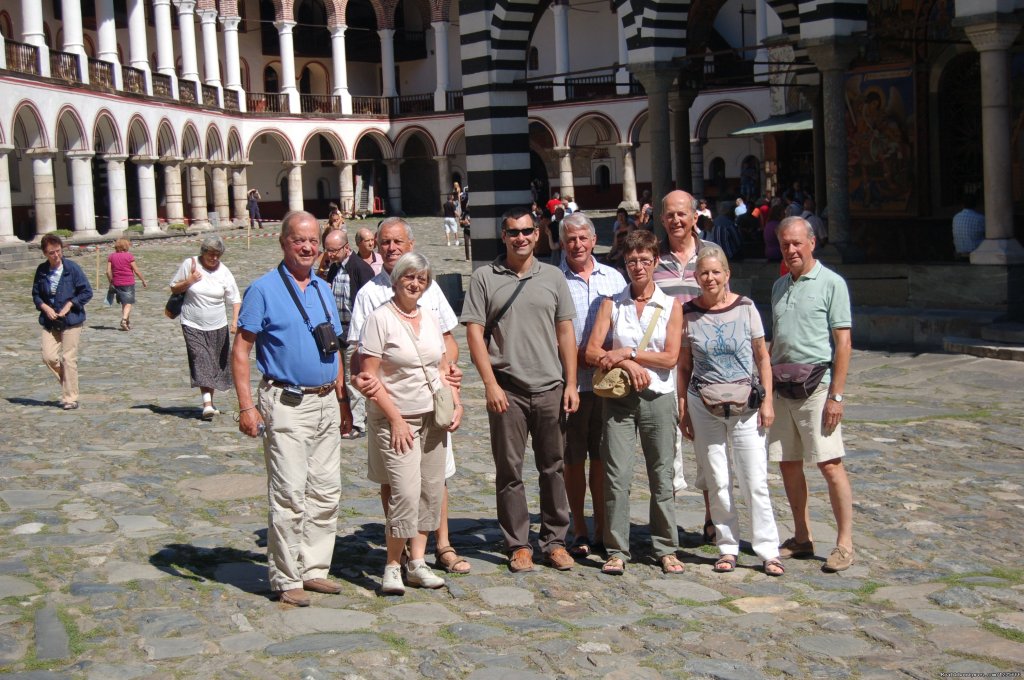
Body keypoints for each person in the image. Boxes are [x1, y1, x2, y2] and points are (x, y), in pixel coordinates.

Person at [232, 210, 353, 607]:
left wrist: (342, 399)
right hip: (286, 402)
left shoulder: (322, 287)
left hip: (325, 403)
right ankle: (286, 578)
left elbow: (334, 348)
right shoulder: (263, 289)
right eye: (298, 240)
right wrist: (247, 406)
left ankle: (314, 569)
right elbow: (242, 349)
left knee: (325, 492)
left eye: (313, 240)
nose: (307, 247)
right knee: (289, 495)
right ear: (283, 242)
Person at [348, 217, 471, 575]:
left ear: (411, 244)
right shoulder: (370, 294)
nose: (391, 247)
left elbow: (448, 341)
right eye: (384, 242)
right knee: (398, 482)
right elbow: (360, 354)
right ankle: (399, 555)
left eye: (397, 241)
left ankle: (441, 546)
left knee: (435, 479)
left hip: (432, 402)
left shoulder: (429, 290)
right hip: (393, 407)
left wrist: (448, 371)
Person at [462, 207, 579, 573]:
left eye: (527, 231)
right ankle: (518, 544)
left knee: (553, 468)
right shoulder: (484, 277)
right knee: (509, 470)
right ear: (504, 236)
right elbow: (474, 334)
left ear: (538, 233)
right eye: (513, 232)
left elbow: (565, 333)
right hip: (507, 390)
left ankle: (555, 541)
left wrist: (571, 382)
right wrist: (490, 384)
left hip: (550, 387)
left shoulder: (554, 278)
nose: (521, 238)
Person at [678, 244, 783, 577]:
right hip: (703, 403)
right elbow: (683, 366)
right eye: (704, 273)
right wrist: (683, 408)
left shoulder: (747, 307)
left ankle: (768, 549)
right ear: (696, 277)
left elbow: (762, 357)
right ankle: (727, 546)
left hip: (745, 405)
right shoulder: (688, 313)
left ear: (727, 274)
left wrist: (767, 401)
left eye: (715, 272)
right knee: (718, 479)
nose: (710, 278)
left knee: (755, 480)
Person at [585, 229, 684, 576]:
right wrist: (627, 363)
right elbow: (593, 351)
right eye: (631, 261)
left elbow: (671, 357)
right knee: (617, 473)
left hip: (658, 398)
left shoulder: (671, 305)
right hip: (620, 399)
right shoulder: (612, 303)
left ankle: (665, 547)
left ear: (656, 261)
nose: (638, 267)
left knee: (661, 473)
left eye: (644, 260)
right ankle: (616, 548)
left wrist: (627, 351)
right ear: (624, 264)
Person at [769, 216, 855, 573]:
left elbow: (844, 342)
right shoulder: (778, 286)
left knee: (830, 465)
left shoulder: (832, 283)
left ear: (812, 243)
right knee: (788, 463)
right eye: (785, 244)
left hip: (816, 387)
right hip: (781, 386)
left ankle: (845, 544)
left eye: (797, 243)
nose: (791, 250)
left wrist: (836, 395)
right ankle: (802, 536)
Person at [559, 212, 628, 558]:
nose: (578, 245)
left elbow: (625, 326)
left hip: (607, 385)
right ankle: (579, 527)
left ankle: (602, 525)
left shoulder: (614, 279)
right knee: (573, 457)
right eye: (571, 239)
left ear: (592, 240)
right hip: (571, 385)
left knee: (602, 457)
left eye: (583, 238)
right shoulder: (555, 280)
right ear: (562, 243)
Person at [652, 190, 715, 542]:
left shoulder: (710, 254)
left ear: (694, 216)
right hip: (665, 365)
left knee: (708, 444)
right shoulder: (653, 258)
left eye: (682, 214)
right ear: (662, 220)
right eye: (670, 215)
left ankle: (712, 518)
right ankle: (668, 526)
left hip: (705, 365)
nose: (676, 220)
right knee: (667, 446)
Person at [170, 235, 241, 420]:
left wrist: (234, 321)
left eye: (218, 255)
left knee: (213, 363)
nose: (214, 258)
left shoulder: (224, 272)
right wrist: (190, 281)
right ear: (203, 252)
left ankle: (209, 400)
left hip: (218, 325)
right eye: (211, 254)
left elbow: (235, 299)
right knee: (200, 358)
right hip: (192, 323)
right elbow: (174, 288)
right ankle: (207, 403)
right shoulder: (190, 263)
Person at [319, 229, 374, 439]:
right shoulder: (333, 268)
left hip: (356, 332)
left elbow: (368, 301)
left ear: (346, 248)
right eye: (328, 250)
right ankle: (345, 417)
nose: (330, 254)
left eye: (334, 250)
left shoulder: (360, 268)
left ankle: (358, 423)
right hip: (336, 332)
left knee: (353, 378)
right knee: (338, 378)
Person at [32, 234, 93, 410]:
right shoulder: (42, 271)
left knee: (68, 358)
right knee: (48, 357)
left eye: (58, 251)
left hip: (71, 320)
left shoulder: (72, 269)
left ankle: (70, 398)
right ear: (45, 253)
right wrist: (45, 307)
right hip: (50, 320)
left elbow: (86, 291)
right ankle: (69, 383)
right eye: (51, 253)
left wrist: (71, 304)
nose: (56, 255)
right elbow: (36, 295)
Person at [106, 237, 147, 331]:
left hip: (117, 282)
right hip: (128, 282)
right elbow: (136, 270)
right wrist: (143, 280)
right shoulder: (129, 256)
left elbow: (108, 272)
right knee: (128, 302)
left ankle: (127, 323)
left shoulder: (111, 256)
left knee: (124, 302)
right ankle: (124, 320)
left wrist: (111, 281)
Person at [952, 194, 985, 258]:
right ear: (976, 204)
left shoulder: (956, 217)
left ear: (962, 204)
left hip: (959, 254)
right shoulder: (980, 218)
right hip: (976, 254)